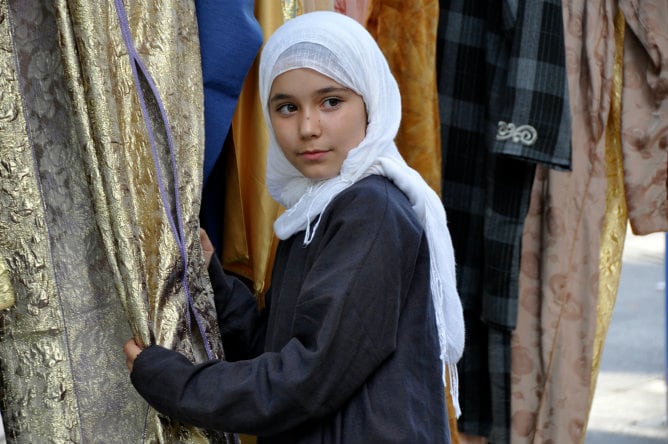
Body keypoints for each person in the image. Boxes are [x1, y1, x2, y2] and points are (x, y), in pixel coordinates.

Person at [123, 10, 465, 443]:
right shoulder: (317, 209)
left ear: (371, 100)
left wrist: (174, 384)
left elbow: (305, 378)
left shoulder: (370, 210)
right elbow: (280, 346)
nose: (308, 127)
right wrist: (214, 279)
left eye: (331, 102)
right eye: (287, 107)